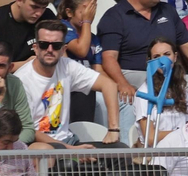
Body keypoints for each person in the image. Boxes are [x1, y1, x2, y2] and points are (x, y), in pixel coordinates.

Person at [14, 19, 124, 148]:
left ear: (63, 49)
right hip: (40, 144)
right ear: (36, 48)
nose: (50, 49)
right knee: (47, 152)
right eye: (44, 44)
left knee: (120, 151)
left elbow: (108, 84)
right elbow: (29, 130)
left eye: (56, 46)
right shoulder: (22, 79)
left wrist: (113, 129)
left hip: (69, 140)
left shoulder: (67, 66)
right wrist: (71, 150)